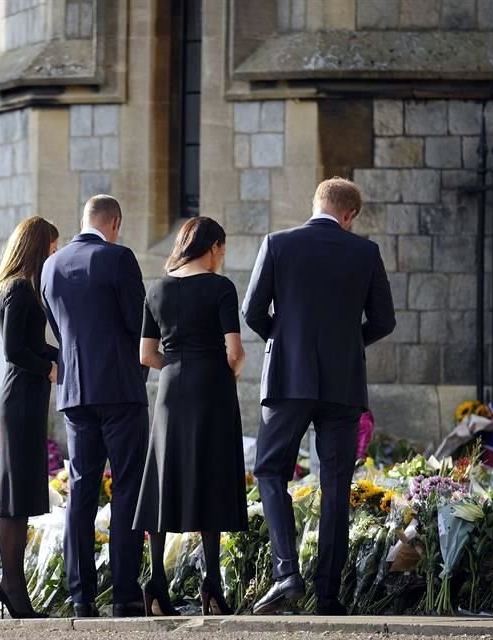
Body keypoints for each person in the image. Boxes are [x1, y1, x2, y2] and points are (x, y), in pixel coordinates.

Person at [242, 177, 396, 616]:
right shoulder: (365, 252)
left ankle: (286, 572)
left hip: (288, 381)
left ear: (317, 204)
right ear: (349, 215)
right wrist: (348, 346)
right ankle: (328, 596)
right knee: (335, 485)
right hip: (343, 384)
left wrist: (286, 341)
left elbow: (252, 311)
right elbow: (383, 320)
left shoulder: (278, 244)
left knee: (271, 471)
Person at [41, 194, 148, 618]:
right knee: (126, 489)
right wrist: (137, 375)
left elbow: (58, 328)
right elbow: (139, 324)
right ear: (115, 221)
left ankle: (80, 594)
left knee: (82, 491)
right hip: (120, 389)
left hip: (75, 393)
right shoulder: (119, 258)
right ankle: (124, 592)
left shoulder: (51, 267)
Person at [134, 216, 248, 616]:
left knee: (167, 477)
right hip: (212, 387)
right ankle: (212, 584)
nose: (222, 256)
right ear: (213, 246)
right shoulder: (221, 288)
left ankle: (156, 584)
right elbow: (234, 351)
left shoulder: (158, 289)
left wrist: (177, 362)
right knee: (211, 474)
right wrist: (228, 369)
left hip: (170, 387)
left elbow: (146, 355)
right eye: (223, 249)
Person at [0, 216, 60, 619]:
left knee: (23, 497)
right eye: (51, 246)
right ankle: (12, 587)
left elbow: (33, 343)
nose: (54, 253)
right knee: (12, 500)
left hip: (30, 398)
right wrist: (49, 366)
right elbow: (15, 350)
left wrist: (59, 356)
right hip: (20, 397)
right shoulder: (16, 288)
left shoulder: (25, 288)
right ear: (36, 246)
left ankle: (14, 587)